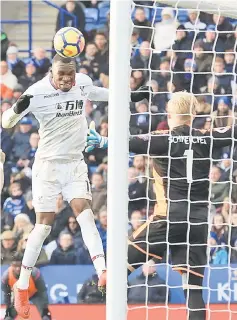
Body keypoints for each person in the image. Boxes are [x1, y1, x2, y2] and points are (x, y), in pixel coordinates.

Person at [2, 53, 149, 319]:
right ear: (52, 74)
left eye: (70, 74)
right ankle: (22, 286)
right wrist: (16, 109)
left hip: (74, 163)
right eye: (62, 76)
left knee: (86, 215)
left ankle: (103, 272)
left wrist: (131, 96)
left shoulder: (81, 82)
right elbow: (6, 123)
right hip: (47, 166)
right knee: (44, 226)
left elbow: (105, 94)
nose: (67, 80)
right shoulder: (36, 92)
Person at [86, 92, 237, 320]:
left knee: (114, 270)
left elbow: (128, 142)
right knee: (194, 290)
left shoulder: (162, 138)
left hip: (167, 217)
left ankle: (113, 310)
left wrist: (103, 141)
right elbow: (231, 132)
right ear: (194, 114)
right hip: (196, 222)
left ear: (169, 113)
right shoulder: (208, 137)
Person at [1, 253, 51, 320]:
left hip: (35, 294)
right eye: (15, 266)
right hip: (19, 296)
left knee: (45, 315)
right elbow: (6, 293)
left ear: (24, 265)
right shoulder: (6, 276)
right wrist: (8, 307)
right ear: (11, 265)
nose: (18, 268)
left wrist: (45, 306)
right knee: (8, 317)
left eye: (20, 266)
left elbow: (42, 290)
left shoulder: (34, 273)